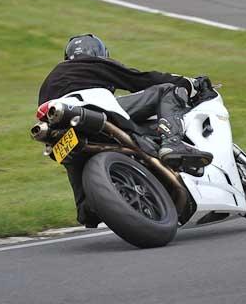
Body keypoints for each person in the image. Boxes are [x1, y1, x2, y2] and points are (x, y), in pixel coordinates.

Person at [38, 33, 213, 227]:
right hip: (91, 111)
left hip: (58, 131)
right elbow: (140, 79)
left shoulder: (49, 81)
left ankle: (88, 207)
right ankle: (172, 142)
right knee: (165, 90)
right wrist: (189, 83)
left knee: (77, 176)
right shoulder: (94, 64)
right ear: (100, 53)